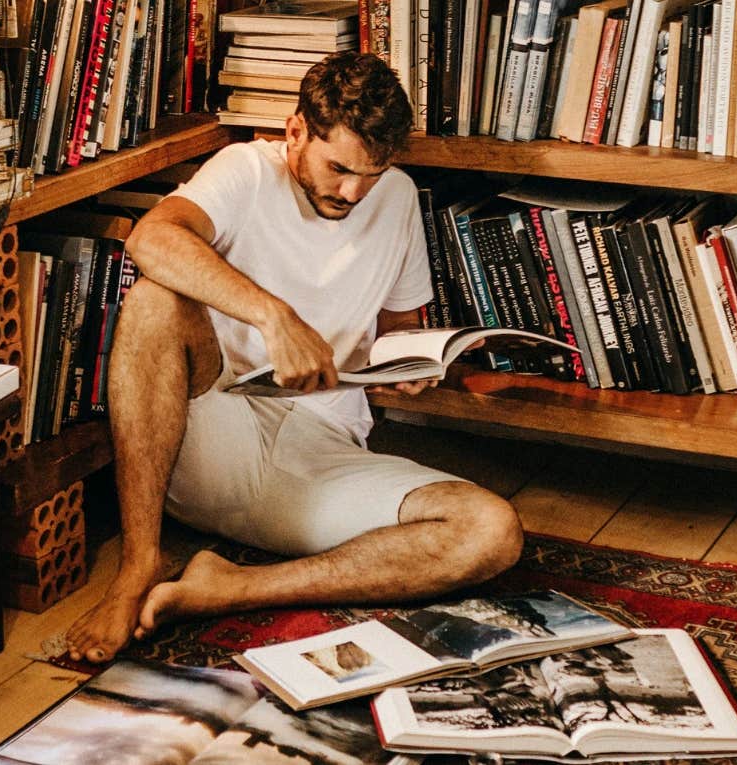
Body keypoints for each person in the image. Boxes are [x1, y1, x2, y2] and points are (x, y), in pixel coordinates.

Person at [62, 51, 524, 664]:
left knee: (491, 531)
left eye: (373, 173)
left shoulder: (397, 197)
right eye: (339, 168)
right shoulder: (246, 171)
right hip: (212, 432)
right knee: (153, 302)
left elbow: (398, 324)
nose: (354, 191)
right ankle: (140, 561)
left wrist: (412, 362)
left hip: (321, 450)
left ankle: (225, 588)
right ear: (297, 131)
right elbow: (152, 239)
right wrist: (274, 316)